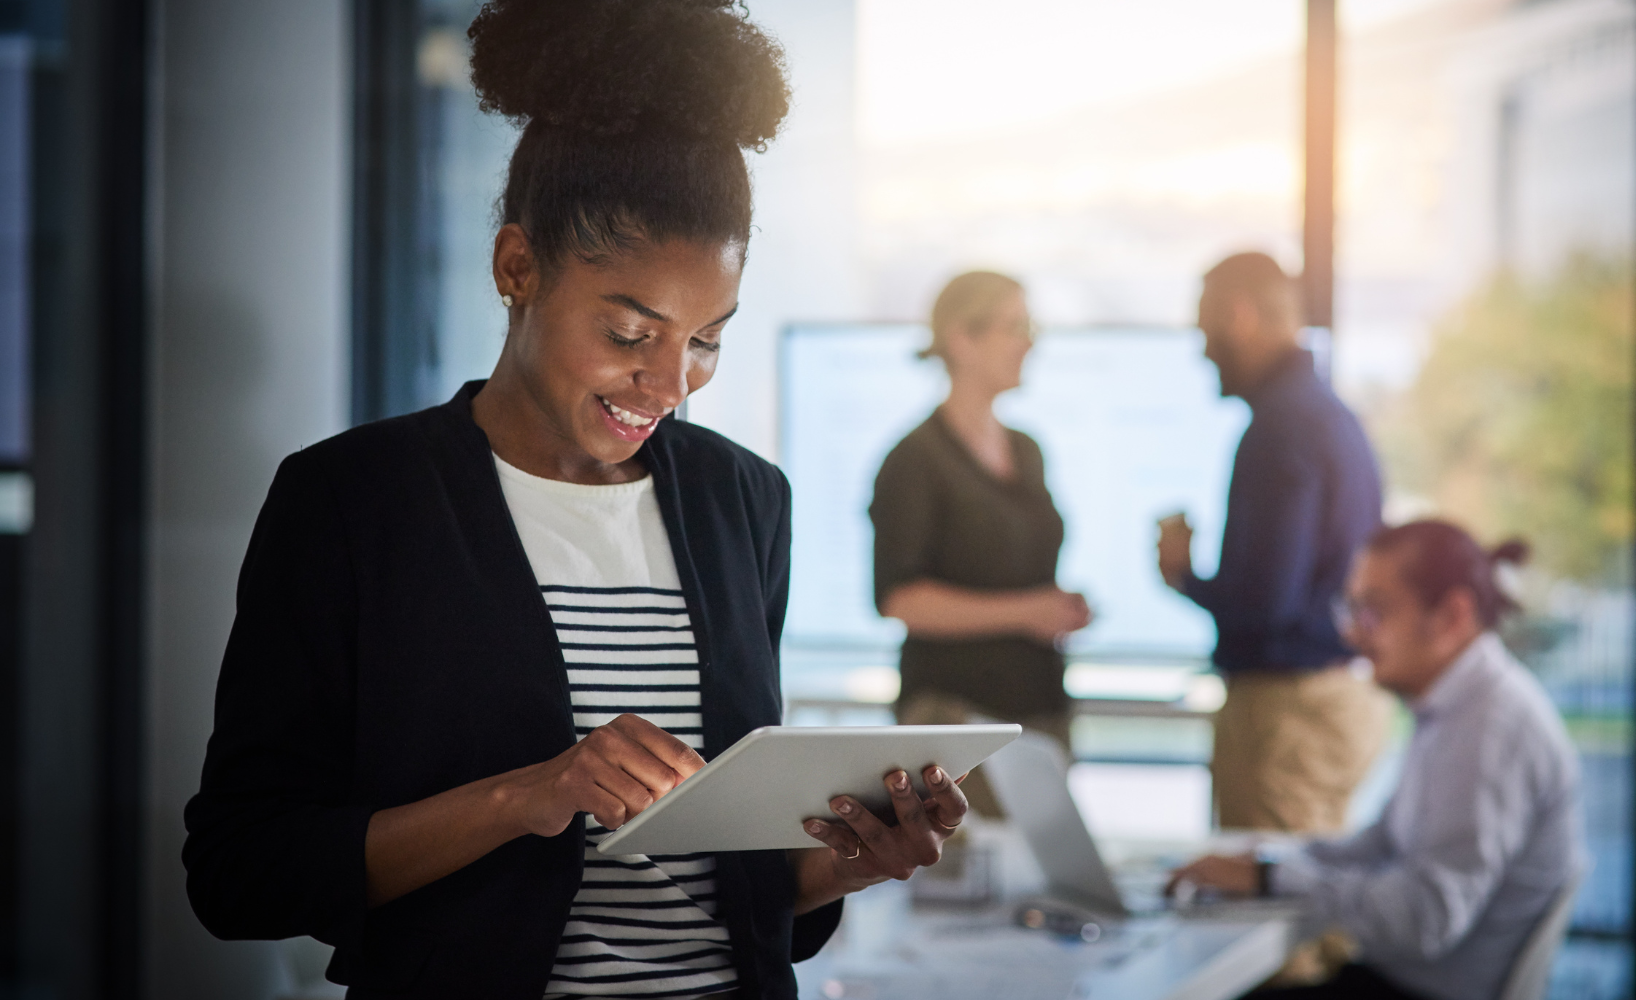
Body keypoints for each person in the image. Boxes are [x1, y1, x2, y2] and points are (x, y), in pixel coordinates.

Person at [182, 3, 968, 997]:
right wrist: (531, 793)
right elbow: (241, 874)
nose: (672, 384)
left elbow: (742, 892)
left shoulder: (743, 498)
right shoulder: (353, 501)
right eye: (632, 334)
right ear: (517, 268)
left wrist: (853, 858)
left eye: (707, 338)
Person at [1167, 521, 1586, 1000]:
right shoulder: (1455, 708)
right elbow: (1383, 844)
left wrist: (1272, 877)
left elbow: (1425, 918)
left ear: (1452, 615)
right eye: (1351, 607)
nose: (1350, 632)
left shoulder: (1490, 730)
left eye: (1373, 611)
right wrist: (1271, 861)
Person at [1157, 252, 1389, 834]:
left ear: (1240, 316)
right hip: (1331, 700)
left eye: (1206, 330)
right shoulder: (1332, 416)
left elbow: (1266, 603)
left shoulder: (1279, 428)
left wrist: (1183, 572)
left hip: (1285, 713)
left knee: (1269, 908)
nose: (1202, 350)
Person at [869, 272, 1091, 812]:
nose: (1030, 342)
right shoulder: (913, 461)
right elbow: (902, 600)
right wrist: (1027, 611)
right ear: (961, 339)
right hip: (955, 720)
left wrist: (1057, 608)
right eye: (1015, 326)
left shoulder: (1027, 449)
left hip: (1038, 712)